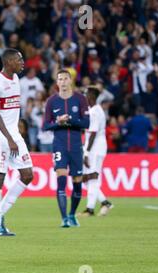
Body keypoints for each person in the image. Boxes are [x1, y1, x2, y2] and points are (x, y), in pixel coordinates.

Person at [0, 48, 34, 237]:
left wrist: (15, 136)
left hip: (13, 134)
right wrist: (9, 138)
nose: (23, 63)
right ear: (8, 62)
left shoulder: (16, 80)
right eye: (19, 59)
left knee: (28, 175)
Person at [43, 69, 90, 228]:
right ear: (57, 83)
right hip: (60, 145)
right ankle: (64, 218)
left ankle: (72, 214)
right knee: (61, 179)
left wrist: (69, 120)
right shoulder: (51, 101)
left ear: (70, 81)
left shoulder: (80, 99)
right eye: (60, 79)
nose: (62, 82)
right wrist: (58, 123)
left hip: (76, 146)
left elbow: (86, 123)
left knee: (77, 182)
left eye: (65, 79)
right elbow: (45, 126)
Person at [78, 87, 113, 217]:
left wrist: (86, 153)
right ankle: (105, 202)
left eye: (86, 94)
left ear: (92, 96)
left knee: (92, 177)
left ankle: (90, 209)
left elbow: (93, 134)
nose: (84, 97)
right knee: (86, 179)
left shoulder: (95, 112)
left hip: (96, 149)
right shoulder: (93, 110)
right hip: (92, 147)